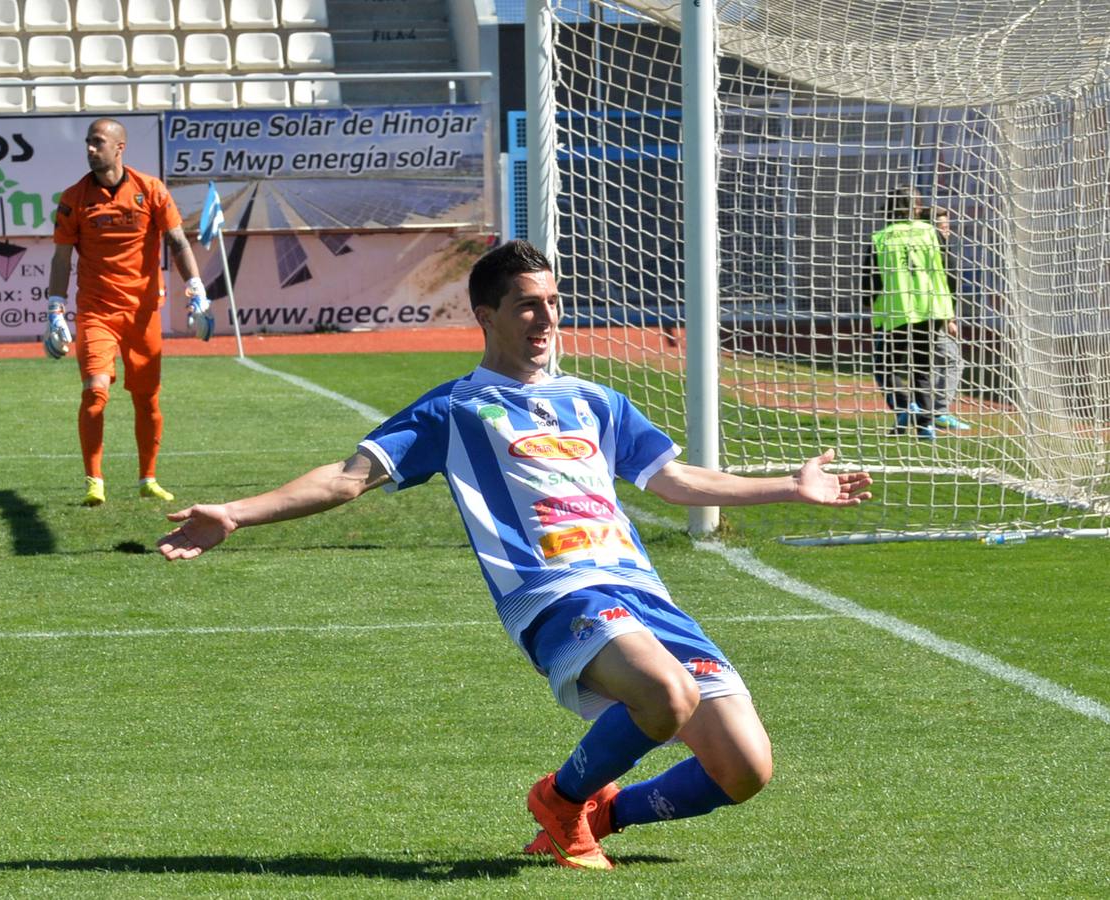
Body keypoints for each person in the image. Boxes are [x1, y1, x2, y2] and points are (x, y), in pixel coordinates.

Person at [157, 240, 872, 871]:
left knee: (742, 770)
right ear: (487, 315)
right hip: (557, 596)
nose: (547, 319)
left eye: (555, 302)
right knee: (665, 694)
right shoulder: (455, 409)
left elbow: (673, 480)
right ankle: (560, 802)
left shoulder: (595, 400)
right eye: (528, 305)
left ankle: (600, 817)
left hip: (643, 595)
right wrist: (235, 513)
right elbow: (348, 478)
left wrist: (789, 485)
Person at [45, 117, 215, 506]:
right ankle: (94, 482)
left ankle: (148, 478)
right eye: (88, 142)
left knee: (147, 399)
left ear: (119, 148)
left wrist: (195, 288)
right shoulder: (73, 198)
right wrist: (55, 307)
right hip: (96, 312)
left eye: (98, 142)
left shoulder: (150, 189)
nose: (90, 149)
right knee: (95, 393)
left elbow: (176, 240)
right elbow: (61, 257)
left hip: (142, 312)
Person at [863, 187, 952, 440]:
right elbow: (948, 269)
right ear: (915, 208)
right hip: (931, 309)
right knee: (923, 368)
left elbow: (871, 279)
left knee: (884, 366)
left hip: (897, 311)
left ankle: (904, 406)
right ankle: (926, 427)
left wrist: (867, 302)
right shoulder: (930, 232)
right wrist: (950, 310)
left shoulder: (881, 238)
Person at [926, 207, 972, 430]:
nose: (947, 229)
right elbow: (940, 287)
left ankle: (925, 411)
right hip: (932, 318)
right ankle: (938, 412)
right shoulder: (936, 252)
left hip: (927, 317)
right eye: (942, 225)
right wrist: (949, 319)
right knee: (954, 360)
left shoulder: (937, 249)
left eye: (947, 225)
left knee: (933, 363)